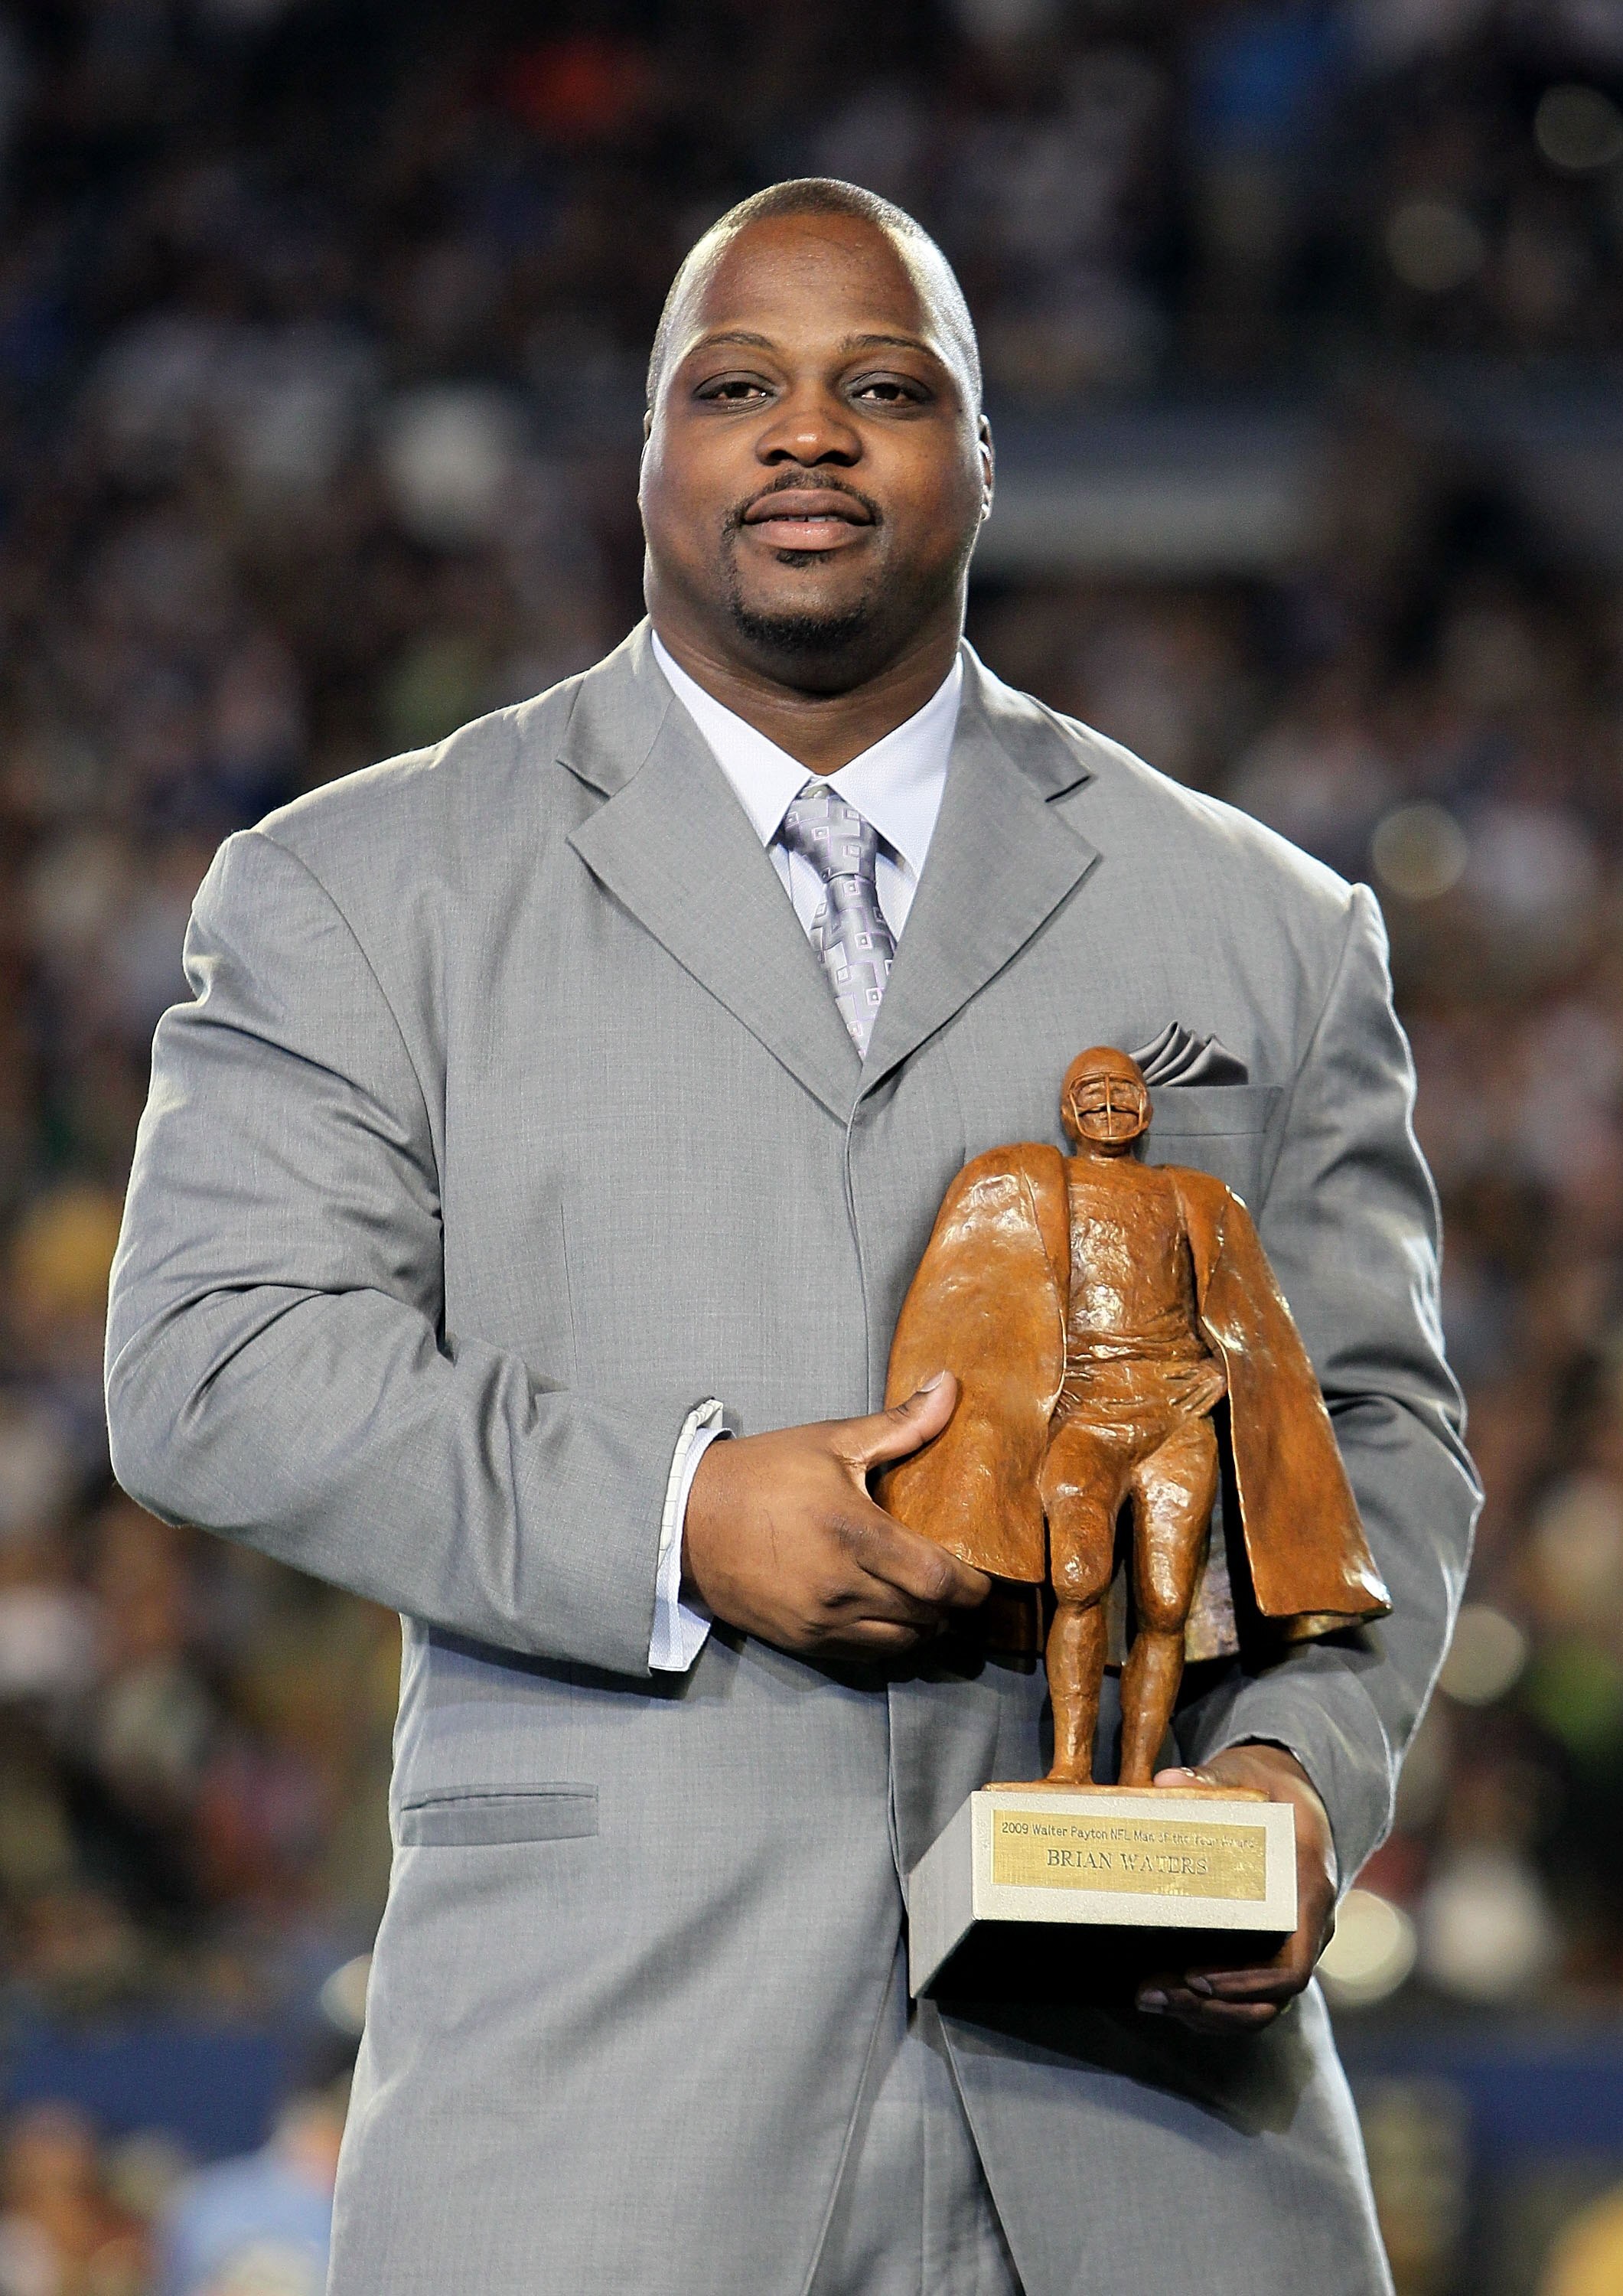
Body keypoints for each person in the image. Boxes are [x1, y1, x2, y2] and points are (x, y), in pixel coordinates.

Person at [106, 179, 1480, 2295]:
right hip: (597, 2118)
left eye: (885, 386)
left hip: (1151, 2137)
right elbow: (208, 1363)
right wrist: (675, 1521)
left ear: (981, 456)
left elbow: (1372, 1429)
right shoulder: (364, 887)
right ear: (646, 459)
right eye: (735, 386)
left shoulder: (1263, 926)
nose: (807, 432)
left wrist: (1296, 1778)